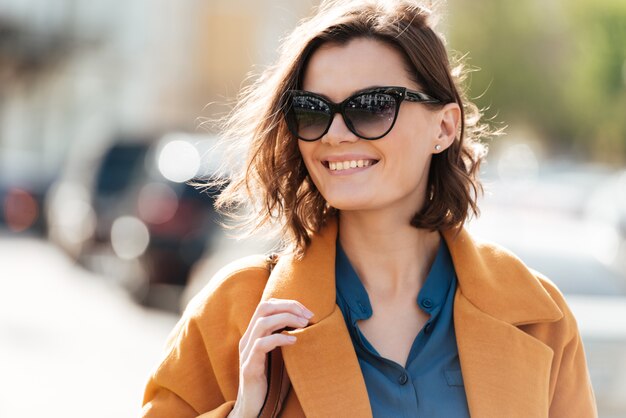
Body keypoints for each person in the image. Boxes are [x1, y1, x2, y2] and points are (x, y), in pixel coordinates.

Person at [141, 0, 597, 417]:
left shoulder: (539, 317)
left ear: (444, 126)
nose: (335, 133)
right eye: (313, 111)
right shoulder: (236, 313)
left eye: (372, 107)